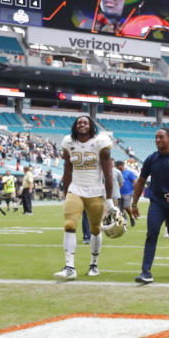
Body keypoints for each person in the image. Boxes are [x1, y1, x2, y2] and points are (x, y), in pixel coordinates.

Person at [130, 127, 169, 283]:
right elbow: (140, 181)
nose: (158, 140)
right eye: (156, 137)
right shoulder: (151, 158)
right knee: (151, 234)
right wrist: (134, 203)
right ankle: (145, 272)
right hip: (156, 202)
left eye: (161, 137)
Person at [55, 115, 113, 280]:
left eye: (85, 122)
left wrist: (109, 199)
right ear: (75, 125)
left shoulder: (100, 142)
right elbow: (67, 170)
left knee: (95, 228)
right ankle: (69, 267)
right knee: (69, 224)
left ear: (91, 126)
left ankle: (94, 264)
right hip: (76, 189)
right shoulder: (68, 142)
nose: (82, 124)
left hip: (95, 190)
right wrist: (67, 194)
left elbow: (108, 173)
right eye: (79, 122)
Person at [116, 160, 137, 226]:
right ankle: (124, 220)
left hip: (128, 193)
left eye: (118, 166)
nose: (117, 168)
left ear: (122, 166)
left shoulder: (129, 173)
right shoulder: (116, 173)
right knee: (120, 209)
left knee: (126, 206)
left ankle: (131, 217)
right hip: (118, 193)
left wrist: (135, 190)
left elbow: (135, 182)